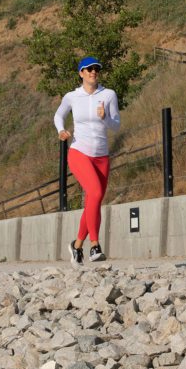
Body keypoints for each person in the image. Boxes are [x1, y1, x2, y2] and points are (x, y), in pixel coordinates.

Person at [54, 56, 121, 266]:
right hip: (79, 152)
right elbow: (58, 115)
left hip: (101, 156)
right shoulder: (72, 97)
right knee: (95, 193)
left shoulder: (109, 95)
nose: (94, 72)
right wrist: (61, 130)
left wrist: (105, 118)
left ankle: (76, 247)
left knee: (94, 201)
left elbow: (116, 125)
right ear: (81, 73)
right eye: (89, 69)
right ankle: (95, 246)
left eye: (97, 69)